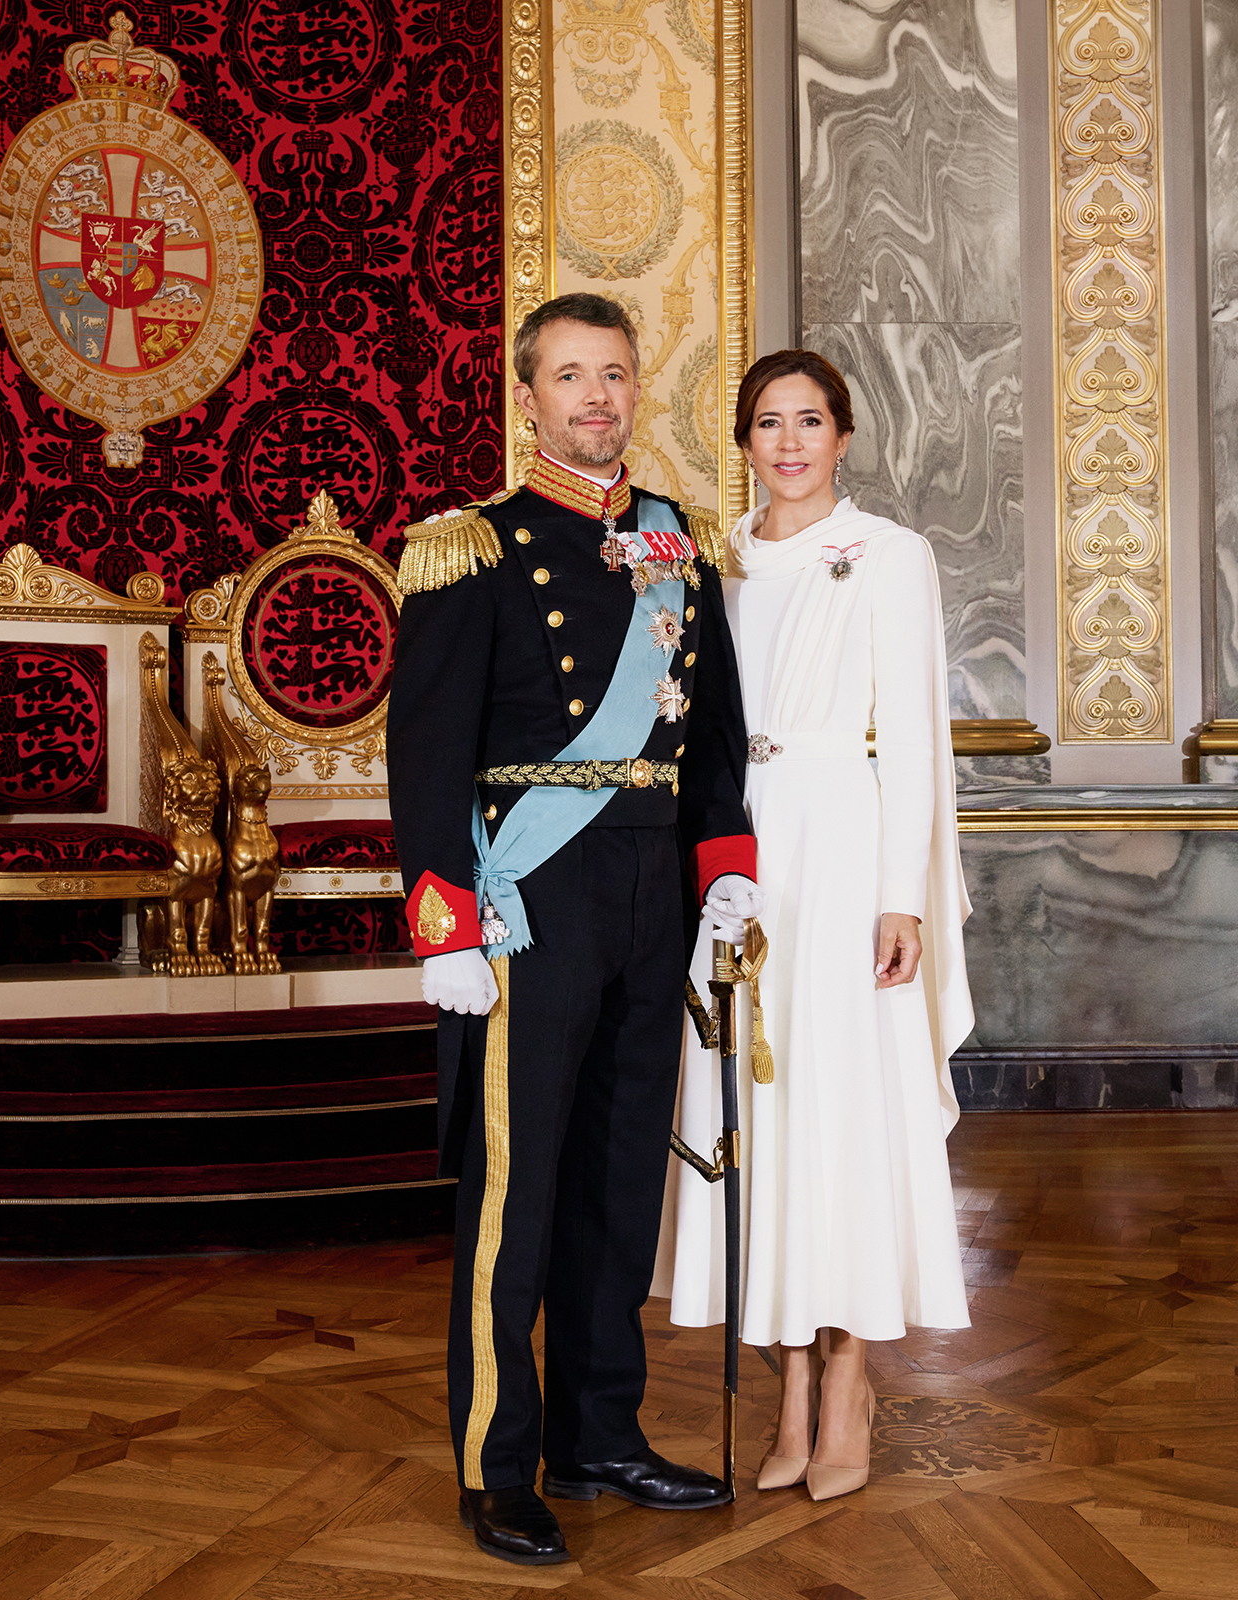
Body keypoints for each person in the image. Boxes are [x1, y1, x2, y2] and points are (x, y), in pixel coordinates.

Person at [387, 292, 765, 1566]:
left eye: (612, 375)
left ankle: (600, 1433)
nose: (595, 398)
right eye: (568, 377)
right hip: (525, 901)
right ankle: (499, 1462)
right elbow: (426, 755)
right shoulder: (469, 551)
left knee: (616, 1179)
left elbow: (708, 735)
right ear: (526, 395)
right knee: (518, 1189)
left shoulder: (675, 548)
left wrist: (722, 868)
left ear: (633, 388)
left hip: (650, 891)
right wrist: (442, 923)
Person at [656, 348, 974, 1502]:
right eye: (763, 423)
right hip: (739, 850)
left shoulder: (887, 555)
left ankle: (847, 1378)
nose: (785, 443)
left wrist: (901, 890)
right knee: (759, 1114)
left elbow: (916, 739)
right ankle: (784, 1378)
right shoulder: (713, 561)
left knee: (836, 1108)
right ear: (740, 441)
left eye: (808, 421)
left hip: (842, 845)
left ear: (843, 437)